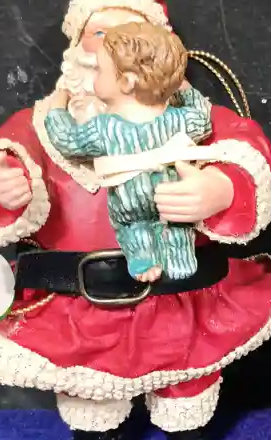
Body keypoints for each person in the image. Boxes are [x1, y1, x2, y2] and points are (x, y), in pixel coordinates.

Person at [0, 0, 271, 440]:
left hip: (177, 290)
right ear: (76, 46)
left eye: (126, 33)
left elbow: (245, 148)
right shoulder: (44, 123)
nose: (108, 46)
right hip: (79, 301)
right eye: (99, 33)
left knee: (188, 373)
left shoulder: (190, 117)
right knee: (89, 384)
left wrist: (218, 188)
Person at [44, 21, 212, 283]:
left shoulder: (104, 129)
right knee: (177, 225)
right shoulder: (178, 121)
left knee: (134, 228)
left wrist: (57, 108)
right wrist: (185, 89)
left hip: (131, 203)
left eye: (100, 71)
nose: (95, 77)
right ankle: (178, 255)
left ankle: (145, 258)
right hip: (172, 196)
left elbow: (69, 141)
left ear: (126, 82)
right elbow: (202, 118)